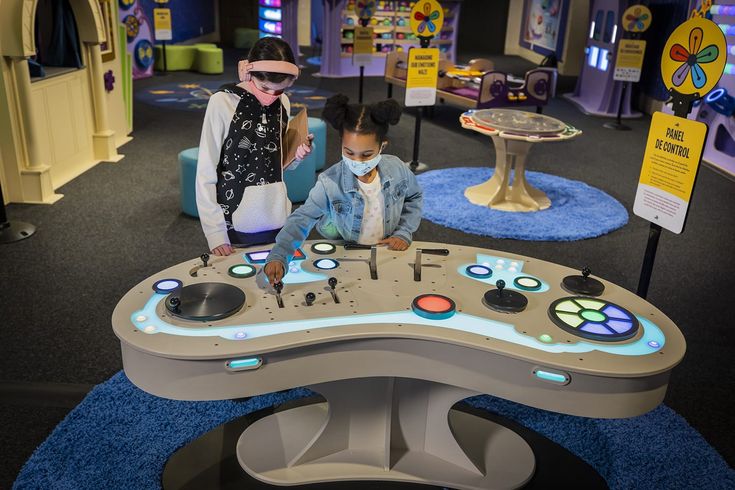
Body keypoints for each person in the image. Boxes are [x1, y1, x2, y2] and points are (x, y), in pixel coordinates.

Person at [264, 95, 423, 285]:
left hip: (385, 251)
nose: (357, 161)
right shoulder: (329, 182)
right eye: (349, 152)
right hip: (348, 253)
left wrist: (403, 231)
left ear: (382, 146)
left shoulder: (398, 169)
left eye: (366, 154)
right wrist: (279, 254)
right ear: (341, 144)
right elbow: (302, 219)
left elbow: (414, 197)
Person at [196, 37, 313, 257]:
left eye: (279, 90)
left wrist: (297, 156)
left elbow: (276, 163)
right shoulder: (222, 102)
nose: (271, 97)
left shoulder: (283, 103)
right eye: (265, 88)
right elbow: (205, 171)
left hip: (276, 219)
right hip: (234, 224)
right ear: (248, 73)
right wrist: (215, 232)